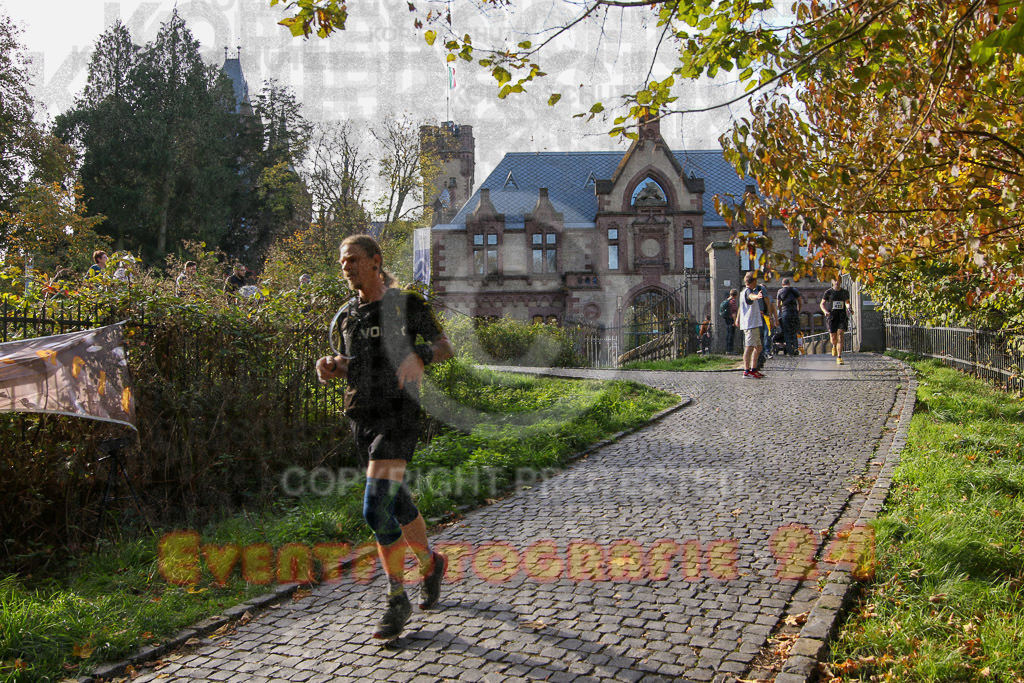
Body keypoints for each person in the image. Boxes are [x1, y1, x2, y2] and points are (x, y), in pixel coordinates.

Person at [315, 234, 454, 641]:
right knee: (396, 500)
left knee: (375, 508)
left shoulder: (406, 304)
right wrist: (330, 367)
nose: (346, 267)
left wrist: (420, 356)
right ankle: (431, 566)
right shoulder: (346, 316)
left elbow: (445, 347)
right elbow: (353, 366)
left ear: (375, 261)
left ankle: (397, 597)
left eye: (354, 259)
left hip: (398, 415)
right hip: (361, 417)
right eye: (342, 261)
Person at [738, 271, 765, 378]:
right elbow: (750, 296)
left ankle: (753, 369)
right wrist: (757, 296)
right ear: (753, 281)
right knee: (749, 347)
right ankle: (747, 371)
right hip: (750, 324)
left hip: (753, 323)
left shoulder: (743, 292)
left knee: (758, 347)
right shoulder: (748, 291)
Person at [821, 277, 852, 365]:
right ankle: (834, 346)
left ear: (841, 281)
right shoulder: (828, 292)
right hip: (832, 317)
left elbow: (847, 302)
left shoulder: (845, 292)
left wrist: (849, 307)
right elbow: (822, 304)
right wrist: (825, 311)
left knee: (840, 336)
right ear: (832, 281)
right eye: (835, 280)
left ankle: (839, 357)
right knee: (833, 337)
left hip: (842, 316)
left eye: (838, 280)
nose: (837, 282)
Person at [752, 274, 777, 370]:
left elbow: (772, 307)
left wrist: (772, 318)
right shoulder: (754, 294)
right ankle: (762, 356)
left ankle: (764, 354)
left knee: (766, 335)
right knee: (762, 336)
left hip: (764, 318)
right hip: (761, 317)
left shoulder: (766, 297)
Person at [776, 278, 803, 356]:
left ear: (782, 284)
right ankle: (795, 348)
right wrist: (798, 310)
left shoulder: (780, 291)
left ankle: (789, 350)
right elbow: (800, 302)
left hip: (785, 312)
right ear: (789, 283)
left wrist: (781, 311)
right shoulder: (794, 290)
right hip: (794, 311)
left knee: (787, 332)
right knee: (794, 331)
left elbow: (778, 304)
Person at [720, 289, 739, 354]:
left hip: (727, 319)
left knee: (728, 334)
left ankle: (728, 349)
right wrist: (735, 321)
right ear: (736, 295)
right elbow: (733, 312)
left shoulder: (727, 300)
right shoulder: (733, 301)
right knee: (731, 334)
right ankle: (730, 350)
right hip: (731, 319)